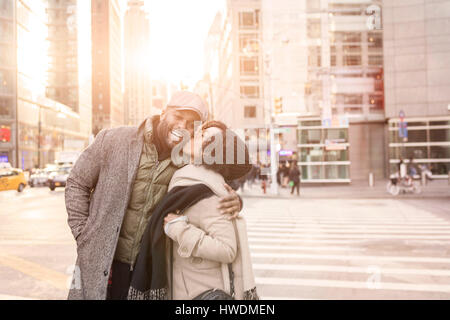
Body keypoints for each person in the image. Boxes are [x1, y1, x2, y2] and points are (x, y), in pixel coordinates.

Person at [65, 91, 243, 300]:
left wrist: (236, 201)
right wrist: (83, 234)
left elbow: (219, 183)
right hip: (101, 261)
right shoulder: (114, 139)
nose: (182, 127)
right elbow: (77, 182)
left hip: (148, 272)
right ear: (164, 112)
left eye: (191, 124)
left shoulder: (189, 159)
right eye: (178, 117)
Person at [161, 121, 258, 300]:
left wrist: (180, 229)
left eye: (205, 136)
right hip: (187, 285)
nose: (198, 133)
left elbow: (227, 249)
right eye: (202, 130)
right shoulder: (189, 177)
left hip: (199, 292)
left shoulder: (206, 190)